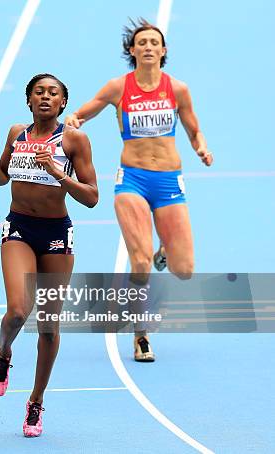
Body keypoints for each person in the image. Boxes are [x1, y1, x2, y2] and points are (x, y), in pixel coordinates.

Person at [65, 19, 213, 361]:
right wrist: (73, 118)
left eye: (153, 42)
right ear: (132, 51)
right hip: (131, 179)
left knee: (183, 269)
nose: (147, 46)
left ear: (163, 51)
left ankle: (166, 252)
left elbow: (194, 131)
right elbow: (84, 112)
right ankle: (141, 334)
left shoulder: (178, 89)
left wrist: (202, 149)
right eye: (141, 42)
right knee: (141, 261)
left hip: (168, 181)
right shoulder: (119, 87)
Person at [0, 74, 98, 437]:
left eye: (53, 93)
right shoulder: (17, 134)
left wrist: (57, 172)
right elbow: (2, 177)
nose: (45, 97)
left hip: (57, 234)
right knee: (17, 311)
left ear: (63, 103)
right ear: (29, 101)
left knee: (48, 327)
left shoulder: (74, 139)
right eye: (39, 92)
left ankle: (35, 401)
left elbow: (92, 197)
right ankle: (4, 352)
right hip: (19, 229)